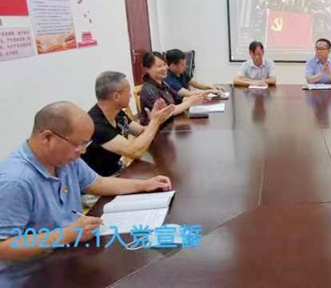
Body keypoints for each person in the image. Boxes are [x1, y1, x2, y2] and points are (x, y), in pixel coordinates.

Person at [0, 102, 172, 264]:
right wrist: (67, 234)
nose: (82, 151)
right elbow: (3, 247)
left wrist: (143, 185)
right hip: (34, 272)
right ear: (47, 138)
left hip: (69, 252)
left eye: (86, 143)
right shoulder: (16, 181)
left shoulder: (65, 160)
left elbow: (98, 183)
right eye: (78, 144)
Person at [81, 71, 175, 178]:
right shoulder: (96, 125)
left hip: (117, 170)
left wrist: (155, 119)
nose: (130, 95)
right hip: (99, 182)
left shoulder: (118, 114)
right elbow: (135, 151)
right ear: (117, 96)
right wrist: (155, 122)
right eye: (128, 92)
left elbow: (141, 131)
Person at [138, 51, 204, 126]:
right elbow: (167, 112)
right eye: (159, 66)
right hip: (158, 129)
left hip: (170, 124)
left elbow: (179, 99)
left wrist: (193, 98)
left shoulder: (164, 84)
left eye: (164, 64)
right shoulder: (148, 89)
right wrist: (189, 102)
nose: (164, 68)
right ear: (147, 69)